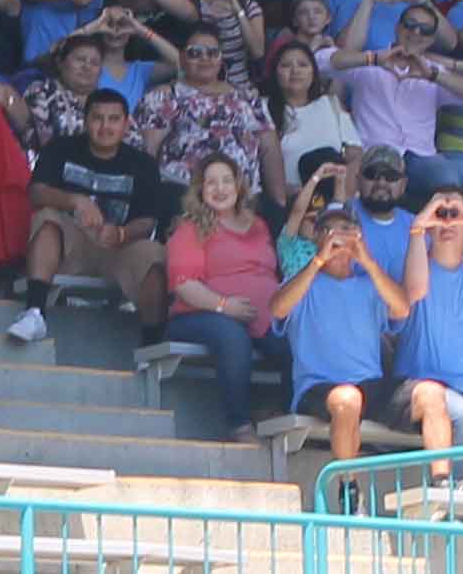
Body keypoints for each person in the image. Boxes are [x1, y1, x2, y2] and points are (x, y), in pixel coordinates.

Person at [11, 85, 174, 343]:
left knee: (155, 253)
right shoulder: (60, 148)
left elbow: (148, 220)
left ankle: (152, 344)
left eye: (114, 119)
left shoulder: (143, 164)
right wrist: (74, 200)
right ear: (85, 121)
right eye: (97, 118)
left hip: (119, 249)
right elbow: (36, 193)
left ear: (126, 125)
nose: (105, 127)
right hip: (72, 246)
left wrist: (121, 233)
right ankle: (34, 313)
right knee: (47, 218)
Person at [274, 203, 421, 463]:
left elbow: (402, 308)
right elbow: (278, 308)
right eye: (328, 230)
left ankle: (443, 481)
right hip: (319, 387)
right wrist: (318, 260)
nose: (338, 236)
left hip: (371, 386)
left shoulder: (370, 284)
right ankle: (348, 485)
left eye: (346, 229)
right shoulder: (302, 283)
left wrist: (368, 261)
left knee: (431, 394)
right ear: (317, 238)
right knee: (348, 399)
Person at [161, 157, 281, 441]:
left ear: (238, 186)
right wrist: (224, 306)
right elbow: (184, 284)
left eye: (227, 180)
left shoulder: (259, 225)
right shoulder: (190, 228)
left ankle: (285, 415)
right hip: (198, 315)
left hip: (262, 316)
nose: (220, 188)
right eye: (211, 182)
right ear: (200, 189)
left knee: (294, 341)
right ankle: (240, 425)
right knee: (232, 336)